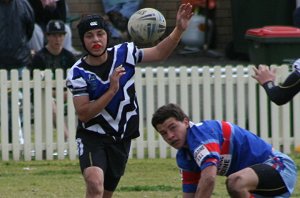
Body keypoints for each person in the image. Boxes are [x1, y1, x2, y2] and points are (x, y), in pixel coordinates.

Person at [66, 3, 193, 197]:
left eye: (100, 33)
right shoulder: (78, 72)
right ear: (83, 41)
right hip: (93, 136)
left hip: (121, 137)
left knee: (105, 193)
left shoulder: (124, 53)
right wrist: (111, 90)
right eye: (89, 36)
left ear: (107, 36)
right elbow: (83, 114)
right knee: (94, 183)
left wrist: (179, 29)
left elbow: (159, 53)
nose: (96, 40)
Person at [151, 103, 297, 198]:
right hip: (255, 184)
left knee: (235, 182)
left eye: (173, 127)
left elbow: (208, 179)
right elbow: (190, 194)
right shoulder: (185, 157)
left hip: (279, 167)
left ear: (185, 121)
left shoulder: (201, 135)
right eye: (163, 133)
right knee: (236, 183)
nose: (170, 136)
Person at [29, 20, 77, 141]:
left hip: (67, 95)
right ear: (47, 36)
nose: (58, 39)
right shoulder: (39, 58)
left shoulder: (69, 57)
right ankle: (68, 139)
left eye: (60, 35)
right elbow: (35, 85)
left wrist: (68, 94)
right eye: (54, 35)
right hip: (44, 95)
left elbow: (77, 81)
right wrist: (59, 94)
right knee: (49, 102)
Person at [0, 0, 35, 143]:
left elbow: (29, 29)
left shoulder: (24, 5)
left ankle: (18, 138)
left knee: (20, 103)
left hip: (19, 61)